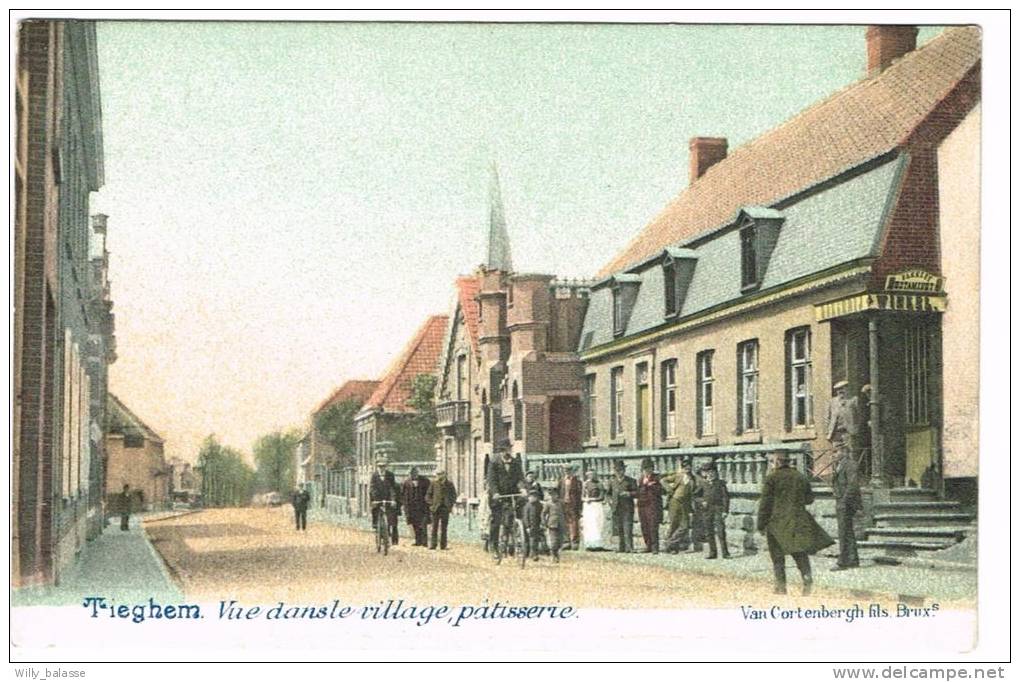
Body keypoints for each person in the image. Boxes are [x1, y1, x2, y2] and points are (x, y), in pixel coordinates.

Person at [757, 451, 834, 595]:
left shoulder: (771, 478)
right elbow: (809, 499)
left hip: (776, 523)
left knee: (777, 557)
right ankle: (807, 579)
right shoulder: (801, 477)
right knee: (799, 553)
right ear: (789, 461)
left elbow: (765, 505)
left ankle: (781, 587)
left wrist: (761, 525)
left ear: (777, 462)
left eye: (773, 462)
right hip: (798, 520)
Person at [486, 440, 525, 560]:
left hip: (512, 495)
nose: (506, 452)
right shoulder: (494, 462)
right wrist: (495, 493)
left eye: (507, 449)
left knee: (512, 518)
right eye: (503, 450)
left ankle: (513, 543)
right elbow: (491, 480)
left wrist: (522, 489)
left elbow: (520, 478)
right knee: (496, 521)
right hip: (497, 496)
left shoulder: (516, 463)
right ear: (500, 451)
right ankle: (494, 546)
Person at [832, 446, 862, 570]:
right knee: (847, 531)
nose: (834, 454)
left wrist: (844, 500)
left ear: (845, 452)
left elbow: (853, 485)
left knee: (843, 531)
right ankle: (853, 559)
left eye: (836, 452)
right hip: (841, 501)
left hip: (846, 502)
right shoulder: (839, 465)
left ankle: (843, 561)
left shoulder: (850, 465)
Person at [661, 462, 697, 553]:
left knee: (684, 526)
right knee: (674, 524)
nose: (687, 469)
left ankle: (669, 543)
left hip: (685, 504)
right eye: (685, 467)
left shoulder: (693, 479)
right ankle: (672, 548)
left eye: (689, 467)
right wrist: (669, 490)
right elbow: (663, 480)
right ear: (683, 468)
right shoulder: (678, 476)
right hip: (675, 502)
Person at [699, 463, 730, 559]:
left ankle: (725, 553)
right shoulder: (703, 484)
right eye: (708, 472)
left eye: (712, 472)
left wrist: (725, 510)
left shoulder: (720, 483)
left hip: (718, 509)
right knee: (709, 531)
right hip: (707, 510)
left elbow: (725, 497)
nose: (711, 474)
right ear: (706, 474)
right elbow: (696, 496)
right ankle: (713, 553)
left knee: (720, 531)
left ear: (716, 473)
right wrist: (702, 501)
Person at [369, 455, 401, 546]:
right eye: (380, 466)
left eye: (383, 466)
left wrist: (393, 500)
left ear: (385, 467)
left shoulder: (390, 475)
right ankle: (375, 525)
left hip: (388, 498)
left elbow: (392, 488)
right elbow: (372, 488)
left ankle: (393, 536)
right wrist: (375, 499)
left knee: (392, 516)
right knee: (375, 510)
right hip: (377, 498)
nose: (381, 468)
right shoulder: (374, 475)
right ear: (377, 467)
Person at [606, 460, 637, 553]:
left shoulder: (631, 481)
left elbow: (637, 492)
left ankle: (629, 547)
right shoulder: (612, 481)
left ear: (624, 470)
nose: (619, 472)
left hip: (627, 507)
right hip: (616, 508)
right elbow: (608, 494)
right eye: (617, 470)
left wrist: (629, 493)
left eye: (620, 470)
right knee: (619, 528)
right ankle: (621, 547)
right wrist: (610, 502)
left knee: (627, 528)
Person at [636, 457, 664, 553]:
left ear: (652, 469)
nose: (647, 471)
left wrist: (649, 485)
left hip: (652, 506)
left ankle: (655, 547)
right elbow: (638, 492)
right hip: (642, 506)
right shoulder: (641, 479)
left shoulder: (657, 478)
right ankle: (648, 546)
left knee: (653, 526)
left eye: (649, 468)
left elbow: (660, 490)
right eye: (645, 469)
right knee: (644, 526)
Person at [826, 380, 860, 460]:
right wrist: (827, 432)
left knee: (851, 454)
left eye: (842, 389)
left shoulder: (853, 400)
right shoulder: (832, 402)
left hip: (849, 432)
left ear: (847, 389)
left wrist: (855, 428)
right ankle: (837, 472)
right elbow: (827, 417)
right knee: (836, 455)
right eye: (838, 390)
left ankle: (851, 472)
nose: (840, 391)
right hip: (835, 433)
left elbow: (859, 416)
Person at [425, 469, 457, 550]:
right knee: (434, 527)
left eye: (440, 474)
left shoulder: (449, 484)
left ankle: (443, 545)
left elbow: (454, 496)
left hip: (445, 508)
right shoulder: (433, 483)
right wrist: (432, 504)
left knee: (444, 528)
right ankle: (433, 544)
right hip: (435, 509)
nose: (439, 476)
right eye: (437, 474)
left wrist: (450, 505)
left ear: (444, 474)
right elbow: (427, 496)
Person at [401, 467, 431, 546]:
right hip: (411, 507)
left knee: (423, 524)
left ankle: (424, 542)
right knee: (415, 524)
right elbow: (403, 495)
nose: (413, 475)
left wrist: (428, 503)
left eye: (414, 473)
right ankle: (418, 541)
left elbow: (429, 492)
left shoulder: (425, 481)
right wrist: (405, 505)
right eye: (411, 474)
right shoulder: (406, 483)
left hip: (423, 506)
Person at [581, 470, 608, 551]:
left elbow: (602, 496)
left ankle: (598, 544)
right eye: (589, 475)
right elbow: (582, 496)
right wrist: (586, 499)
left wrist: (593, 499)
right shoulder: (585, 484)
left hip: (597, 505)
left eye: (593, 475)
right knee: (589, 524)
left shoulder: (599, 484)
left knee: (597, 523)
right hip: (588, 506)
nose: (591, 476)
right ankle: (589, 544)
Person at [558, 465, 583, 551]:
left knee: (574, 523)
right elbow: (558, 492)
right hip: (564, 504)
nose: (567, 472)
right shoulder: (561, 480)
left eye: (568, 470)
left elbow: (580, 494)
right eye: (565, 470)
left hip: (573, 504)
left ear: (572, 471)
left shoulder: (577, 481)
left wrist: (580, 506)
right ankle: (566, 542)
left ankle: (575, 542)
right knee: (564, 522)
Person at [543, 487, 567, 563]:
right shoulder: (548, 504)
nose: (553, 497)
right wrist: (544, 522)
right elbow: (543, 513)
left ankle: (557, 554)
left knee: (560, 541)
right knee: (554, 542)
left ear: (557, 495)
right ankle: (553, 555)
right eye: (551, 495)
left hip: (561, 523)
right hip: (552, 524)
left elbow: (565, 512)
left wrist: (565, 521)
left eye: (554, 495)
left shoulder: (561, 503)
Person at [522, 489, 544, 561]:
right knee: (527, 541)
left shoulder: (539, 505)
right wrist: (527, 526)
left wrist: (541, 524)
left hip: (536, 525)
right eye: (531, 497)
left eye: (534, 497)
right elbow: (525, 517)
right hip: (528, 526)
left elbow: (541, 515)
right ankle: (526, 553)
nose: (532, 498)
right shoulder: (527, 506)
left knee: (534, 540)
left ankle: (534, 554)